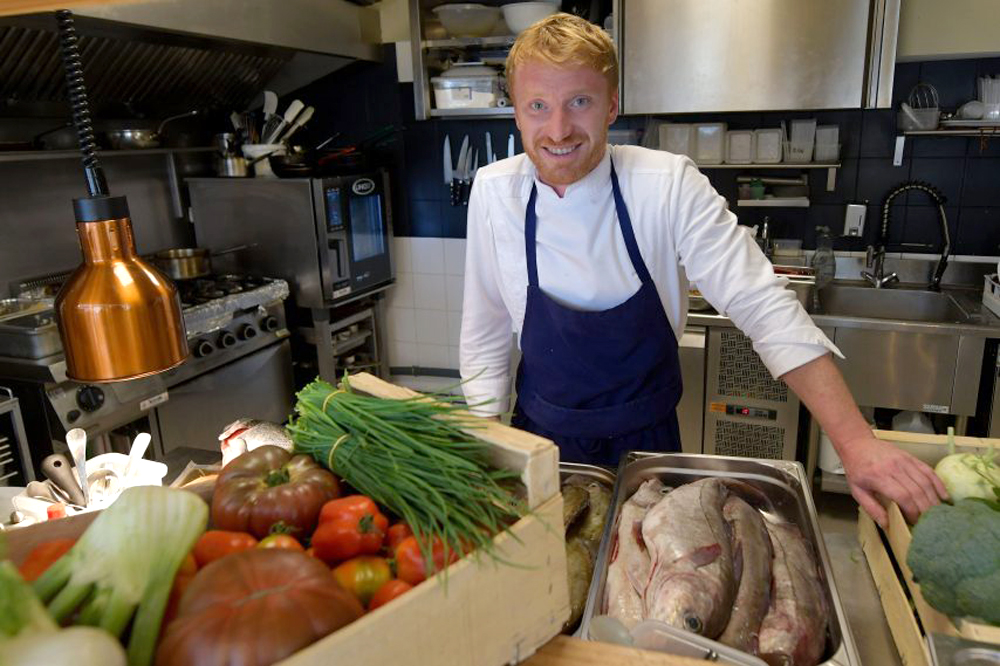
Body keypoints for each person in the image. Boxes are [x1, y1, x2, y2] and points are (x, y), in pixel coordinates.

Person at [459, 13, 947, 527]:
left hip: (646, 449)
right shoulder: (495, 193)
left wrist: (856, 443)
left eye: (579, 101)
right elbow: (486, 327)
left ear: (612, 106)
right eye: (538, 106)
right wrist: (486, 449)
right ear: (516, 112)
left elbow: (761, 303)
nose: (558, 129)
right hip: (537, 438)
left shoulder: (666, 184)